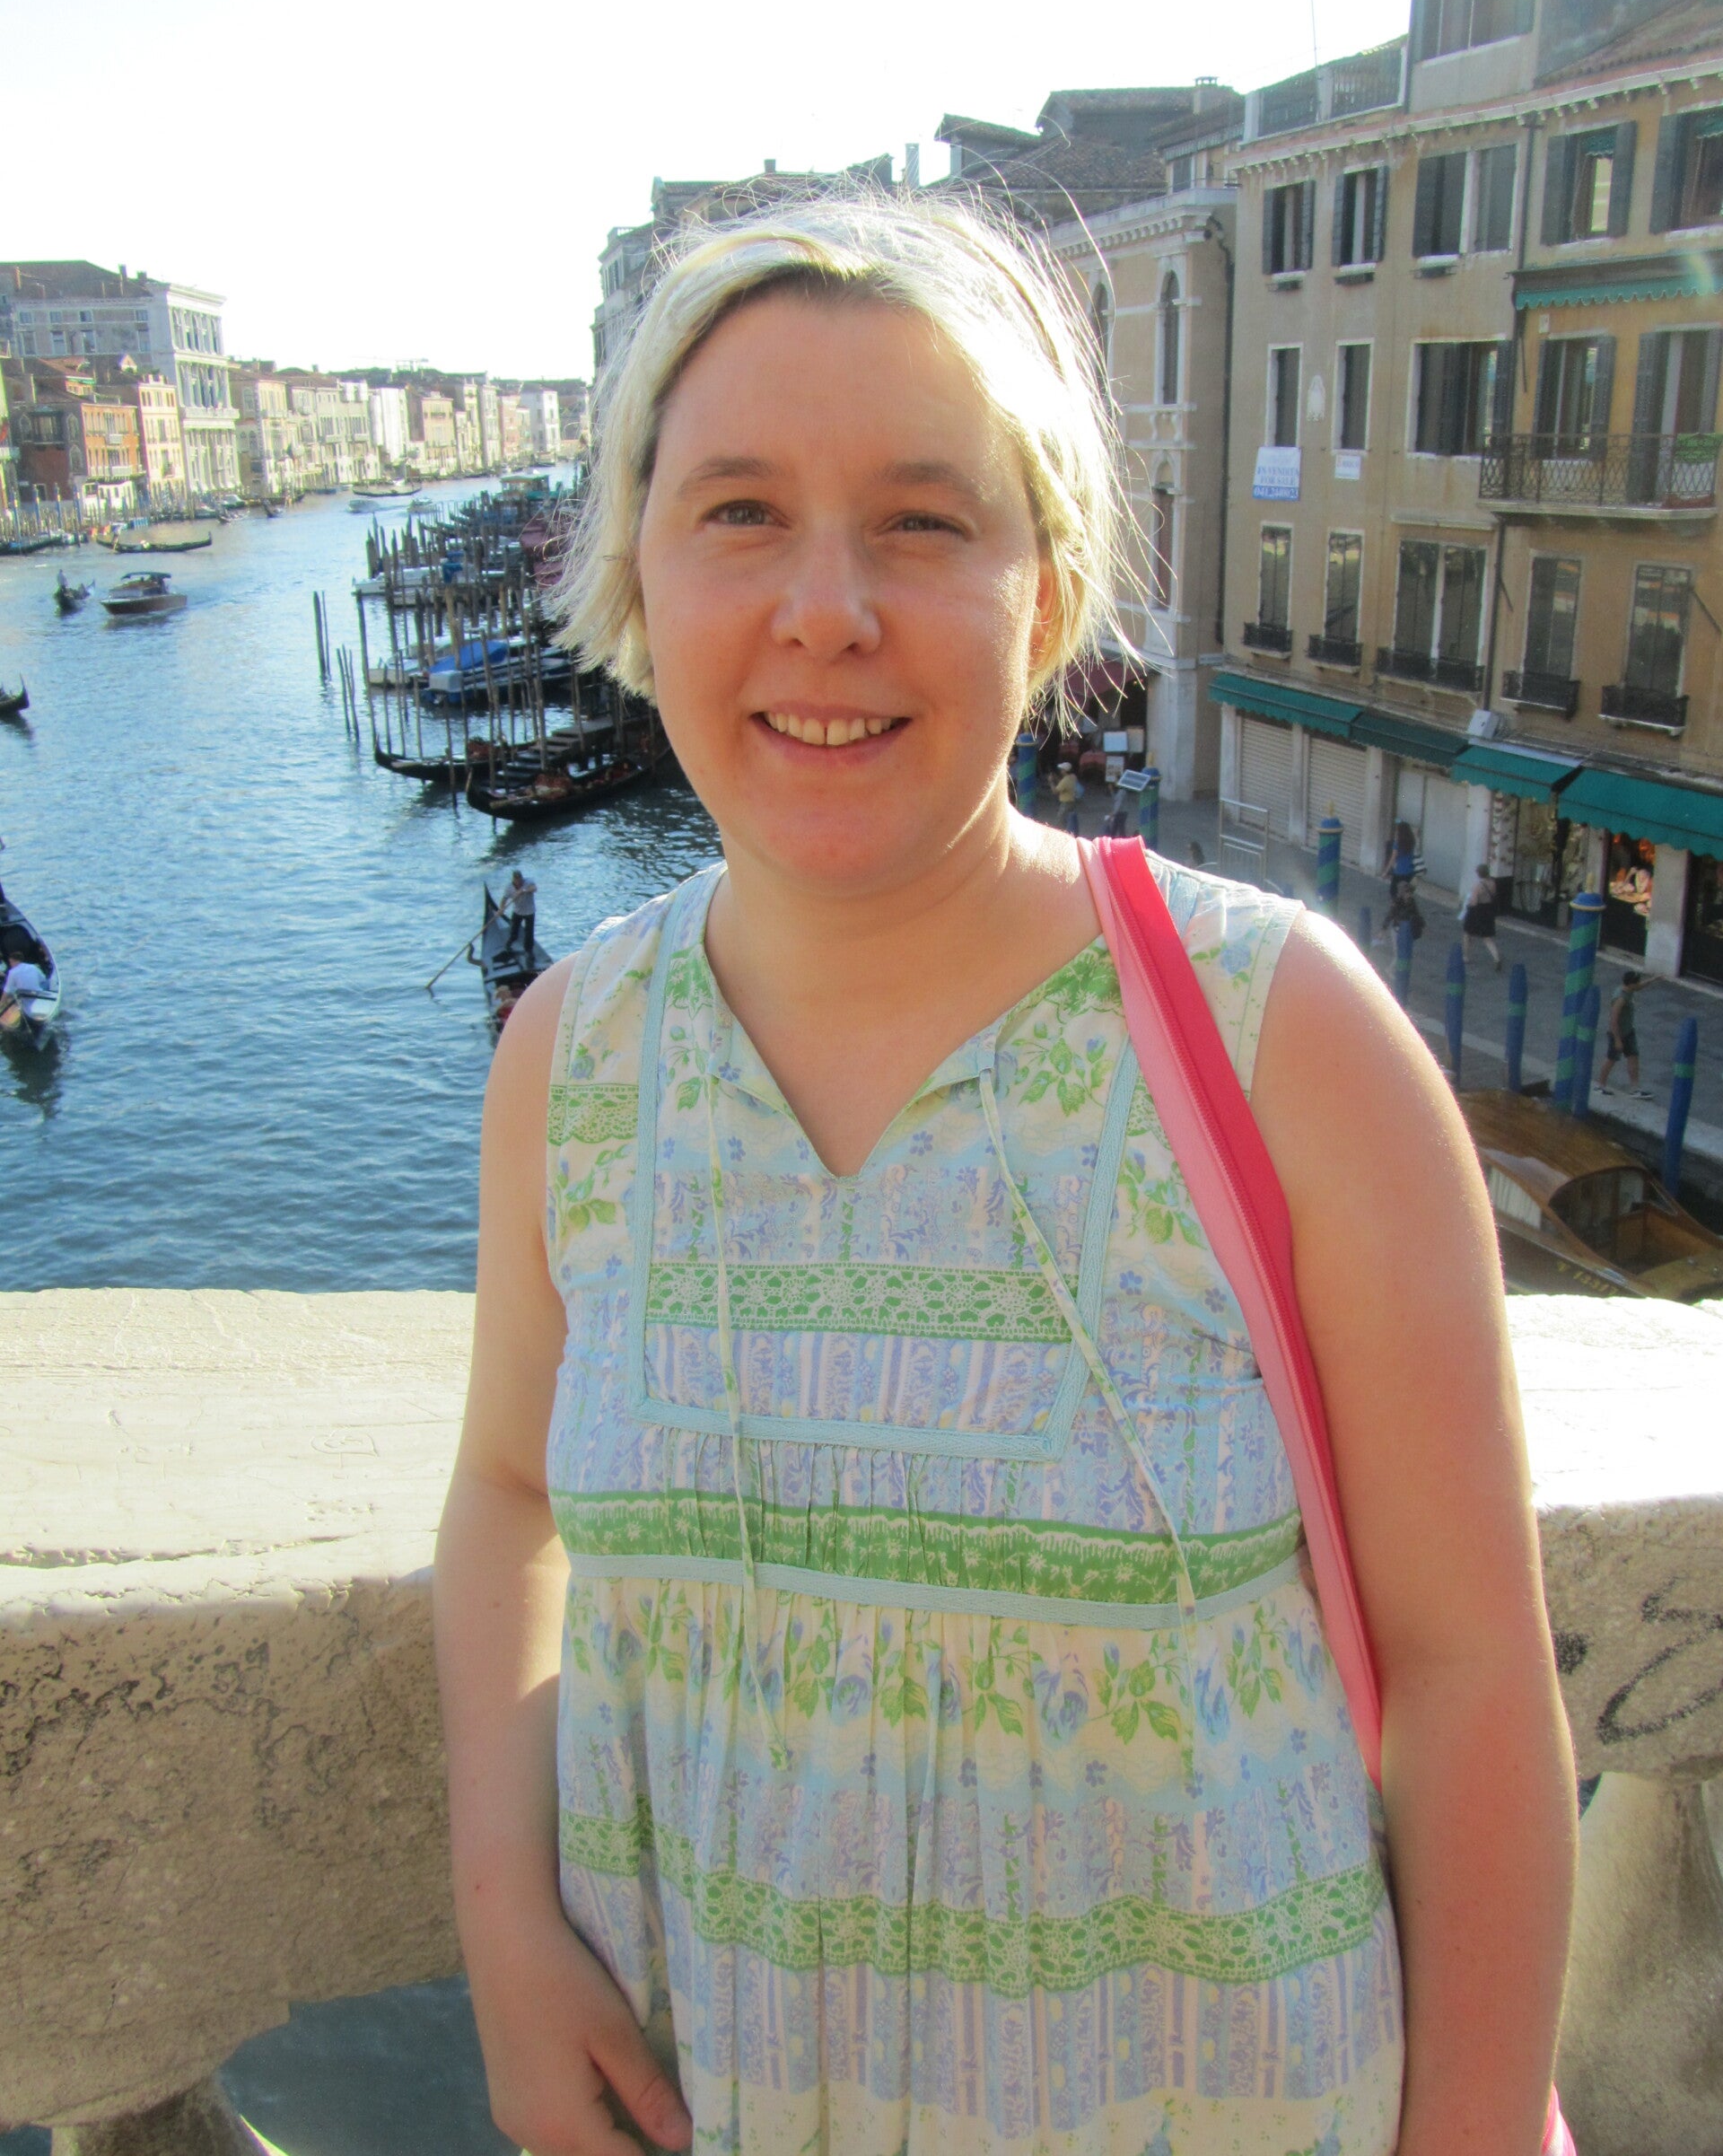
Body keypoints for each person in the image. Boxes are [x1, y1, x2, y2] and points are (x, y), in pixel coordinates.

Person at [435, 194, 1574, 2156]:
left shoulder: (1286, 1038)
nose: (827, 609)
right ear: (635, 571)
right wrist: (502, 1924)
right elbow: (510, 1494)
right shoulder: (572, 1058)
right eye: (738, 512)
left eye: (922, 520)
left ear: (1043, 593)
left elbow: (1471, 1671)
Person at [1597, 967, 1662, 1098]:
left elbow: (1640, 987)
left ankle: (1635, 1088)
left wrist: (1653, 979)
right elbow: (1613, 1020)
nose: (1639, 984)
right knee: (1611, 1059)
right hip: (1618, 1034)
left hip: (1628, 1031)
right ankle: (1600, 1086)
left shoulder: (1629, 989)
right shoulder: (1621, 998)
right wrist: (1617, 1040)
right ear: (1631, 984)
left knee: (1633, 1057)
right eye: (1637, 982)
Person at [1461, 863, 1503, 971]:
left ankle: (1465, 956)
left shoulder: (1477, 886)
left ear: (1479, 873)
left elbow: (1474, 902)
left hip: (1476, 912)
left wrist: (1468, 903)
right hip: (1488, 911)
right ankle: (1496, 958)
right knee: (1487, 938)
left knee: (1467, 933)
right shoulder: (1493, 883)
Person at [499, 870, 536, 960]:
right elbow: (504, 899)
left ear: (522, 878)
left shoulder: (528, 882)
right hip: (517, 912)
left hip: (529, 912)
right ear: (513, 879)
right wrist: (501, 909)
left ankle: (528, 951)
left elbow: (534, 888)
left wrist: (524, 890)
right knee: (514, 930)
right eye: (516, 880)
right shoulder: (509, 887)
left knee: (529, 933)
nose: (518, 882)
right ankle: (509, 943)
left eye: (520, 880)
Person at [1051, 759, 1082, 834]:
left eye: (1062, 770)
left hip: (1066, 803)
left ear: (1065, 771)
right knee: (1069, 820)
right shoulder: (1073, 777)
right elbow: (1063, 784)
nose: (1061, 771)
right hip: (1072, 802)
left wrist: (1051, 781)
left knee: (1060, 822)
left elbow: (1055, 791)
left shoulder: (1065, 780)